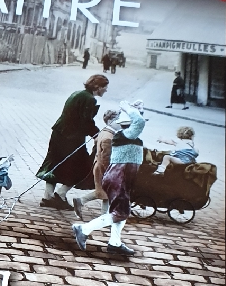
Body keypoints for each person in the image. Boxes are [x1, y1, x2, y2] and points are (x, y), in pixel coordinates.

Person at [72, 100, 146, 256]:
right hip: (119, 179)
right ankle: (83, 229)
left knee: (122, 211)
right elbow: (139, 122)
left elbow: (138, 121)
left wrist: (137, 109)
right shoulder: (125, 135)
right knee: (120, 213)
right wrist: (128, 108)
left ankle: (115, 243)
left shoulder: (128, 135)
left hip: (121, 179)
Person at [37, 74, 109, 210]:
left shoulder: (78, 93)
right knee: (83, 167)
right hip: (71, 138)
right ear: (97, 86)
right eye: (104, 87)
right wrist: (97, 135)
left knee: (54, 164)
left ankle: (47, 197)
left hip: (59, 134)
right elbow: (86, 121)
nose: (106, 90)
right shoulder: (89, 99)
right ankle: (60, 195)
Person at [72, 109, 120, 219]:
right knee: (105, 192)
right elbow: (106, 158)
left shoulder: (104, 132)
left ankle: (101, 214)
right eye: (118, 121)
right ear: (110, 121)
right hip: (103, 168)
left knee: (104, 193)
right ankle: (101, 215)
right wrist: (110, 172)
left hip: (98, 166)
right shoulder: (109, 138)